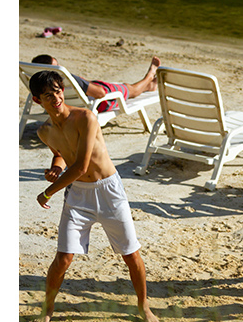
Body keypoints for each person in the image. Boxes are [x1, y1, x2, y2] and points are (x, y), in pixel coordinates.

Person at [28, 70, 158, 322]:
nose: (56, 98)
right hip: (78, 196)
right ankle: (48, 311)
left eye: (58, 91)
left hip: (108, 191)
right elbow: (62, 154)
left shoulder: (86, 117)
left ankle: (144, 307)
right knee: (63, 258)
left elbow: (80, 167)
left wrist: (47, 193)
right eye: (48, 95)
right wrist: (56, 167)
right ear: (37, 100)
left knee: (130, 254)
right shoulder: (44, 132)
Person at [30, 54, 160, 113]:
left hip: (74, 100)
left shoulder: (37, 84)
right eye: (57, 66)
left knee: (94, 83)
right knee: (131, 89)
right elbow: (100, 93)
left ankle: (149, 86)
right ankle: (149, 76)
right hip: (100, 102)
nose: (60, 67)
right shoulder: (66, 77)